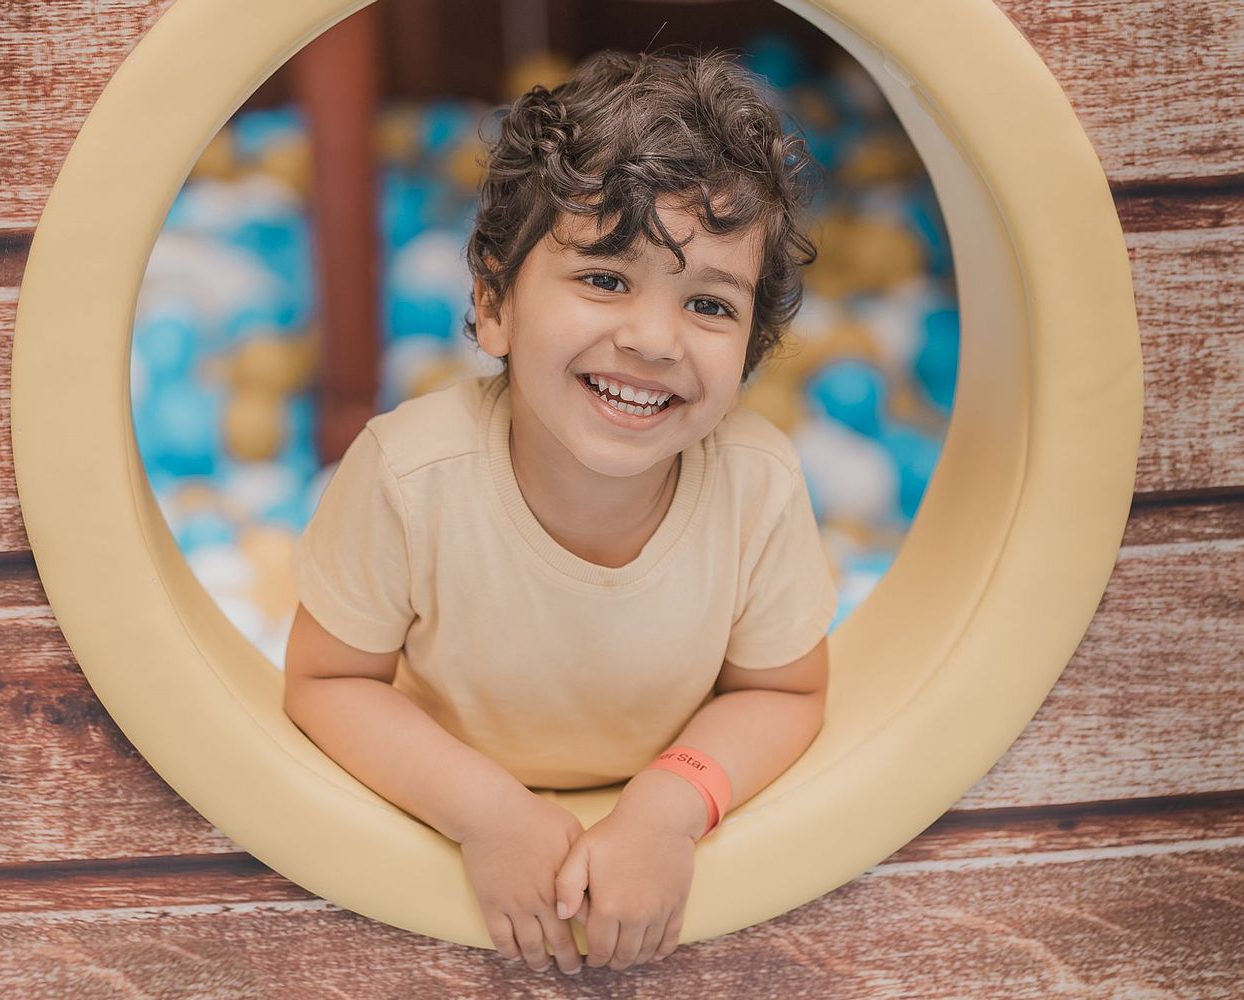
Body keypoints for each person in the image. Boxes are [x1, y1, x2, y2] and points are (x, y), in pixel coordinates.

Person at [283, 46, 838, 976]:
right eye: (605, 279)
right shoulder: (408, 477)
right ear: (494, 302)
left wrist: (669, 806)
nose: (653, 340)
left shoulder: (758, 486)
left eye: (709, 303)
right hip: (432, 835)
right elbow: (325, 682)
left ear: (749, 355)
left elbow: (786, 691)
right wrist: (485, 812)